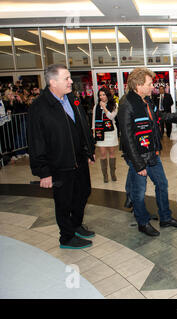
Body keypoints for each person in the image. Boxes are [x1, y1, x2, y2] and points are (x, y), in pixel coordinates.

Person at [118, 67, 177, 237]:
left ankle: (166, 218)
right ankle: (142, 222)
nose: (153, 86)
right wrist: (138, 164)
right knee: (138, 192)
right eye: (149, 83)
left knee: (162, 184)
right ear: (138, 85)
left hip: (152, 153)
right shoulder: (127, 104)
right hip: (138, 157)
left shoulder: (147, 101)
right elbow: (128, 139)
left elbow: (160, 117)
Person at [28, 64, 96, 249]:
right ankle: (66, 237)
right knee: (64, 202)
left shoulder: (72, 99)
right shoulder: (40, 107)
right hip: (59, 164)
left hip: (79, 159)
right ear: (52, 82)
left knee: (83, 193)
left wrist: (89, 150)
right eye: (66, 78)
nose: (71, 81)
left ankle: (75, 225)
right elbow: (36, 141)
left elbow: (82, 126)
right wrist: (43, 172)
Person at [92, 87, 119, 183]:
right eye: (100, 95)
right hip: (100, 132)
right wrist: (94, 132)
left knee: (112, 153)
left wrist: (104, 107)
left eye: (103, 94)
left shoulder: (114, 105)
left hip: (111, 132)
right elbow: (94, 120)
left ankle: (112, 173)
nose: (102, 97)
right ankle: (105, 175)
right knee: (102, 154)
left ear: (108, 95)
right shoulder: (96, 106)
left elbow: (111, 116)